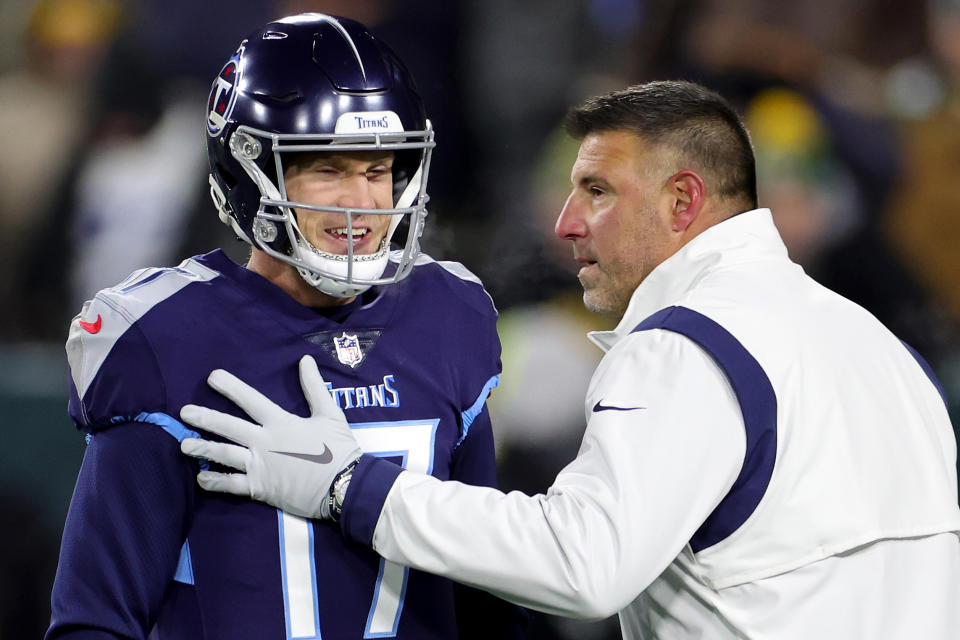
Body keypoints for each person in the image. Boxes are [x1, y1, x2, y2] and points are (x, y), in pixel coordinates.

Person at [180, 80, 960, 639]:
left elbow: (583, 563)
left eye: (595, 190)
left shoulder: (686, 344)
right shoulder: (880, 347)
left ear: (683, 203)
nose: (563, 223)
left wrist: (354, 487)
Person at [46, 13, 527, 640]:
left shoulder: (448, 313)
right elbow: (96, 619)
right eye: (328, 168)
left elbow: (487, 587)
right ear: (250, 173)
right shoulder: (167, 336)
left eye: (379, 170)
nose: (361, 202)